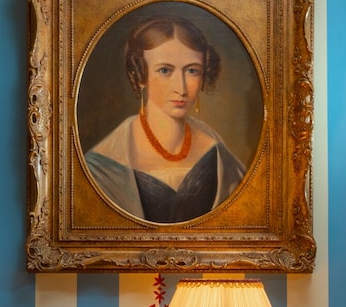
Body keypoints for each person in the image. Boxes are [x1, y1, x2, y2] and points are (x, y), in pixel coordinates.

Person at [84, 14, 246, 224]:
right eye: (165, 70)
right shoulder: (103, 166)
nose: (181, 87)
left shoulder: (216, 151)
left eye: (192, 71)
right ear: (140, 75)